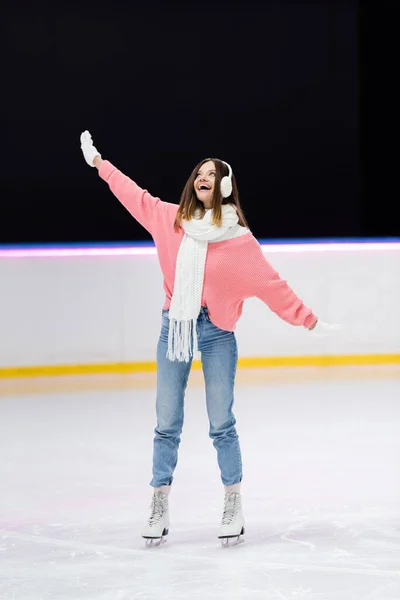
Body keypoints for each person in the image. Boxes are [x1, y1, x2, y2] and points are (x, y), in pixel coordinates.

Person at [80, 130, 338, 546]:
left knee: (222, 424)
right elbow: (132, 193)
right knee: (166, 424)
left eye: (212, 174)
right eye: (198, 172)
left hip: (218, 332)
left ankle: (232, 501)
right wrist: (98, 163)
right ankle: (159, 502)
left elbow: (272, 286)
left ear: (224, 186)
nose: (203, 176)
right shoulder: (170, 220)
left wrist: (308, 320)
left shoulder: (239, 241)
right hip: (175, 328)